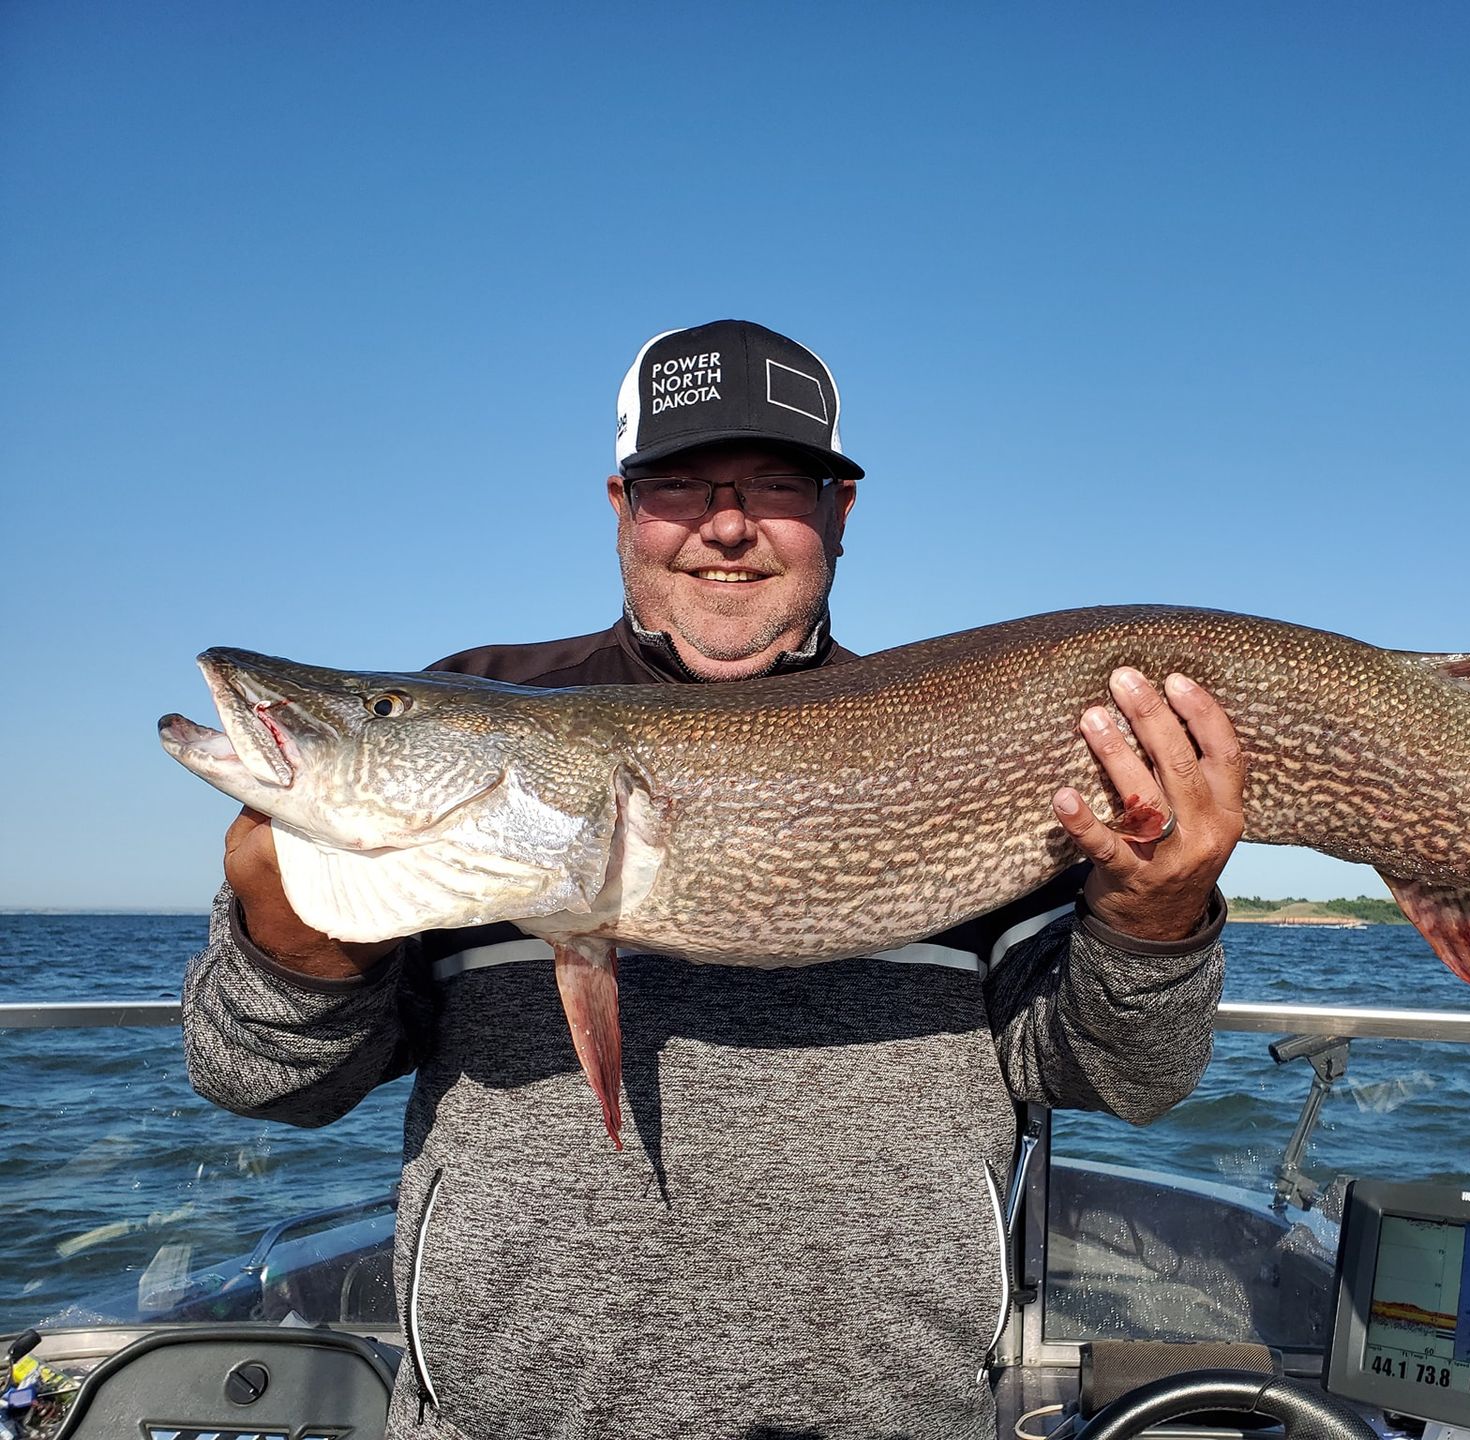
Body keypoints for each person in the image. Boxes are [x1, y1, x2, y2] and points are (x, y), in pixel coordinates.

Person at [183, 319, 1248, 1439]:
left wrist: (1154, 917)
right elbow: (257, 1082)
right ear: (621, 508)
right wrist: (296, 946)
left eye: (778, 486)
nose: (727, 525)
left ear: (841, 513)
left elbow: (1123, 1078)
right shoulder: (485, 700)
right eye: (679, 485)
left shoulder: (977, 732)